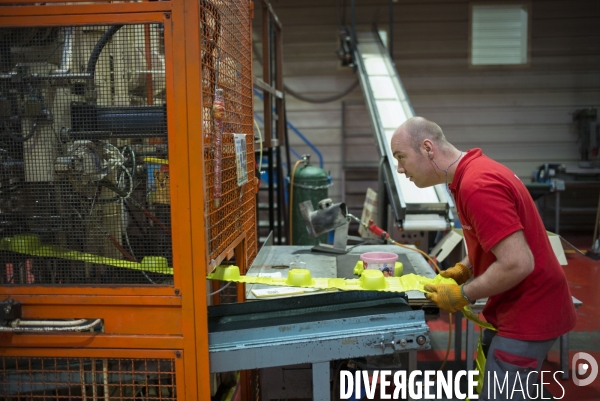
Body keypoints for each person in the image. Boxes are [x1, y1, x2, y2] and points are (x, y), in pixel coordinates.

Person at [390, 116, 576, 400]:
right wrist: (466, 267)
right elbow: (496, 241)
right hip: (517, 304)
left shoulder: (477, 185)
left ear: (428, 148)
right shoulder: (468, 176)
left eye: (401, 157)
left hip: (529, 311)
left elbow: (517, 262)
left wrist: (461, 294)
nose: (400, 169)